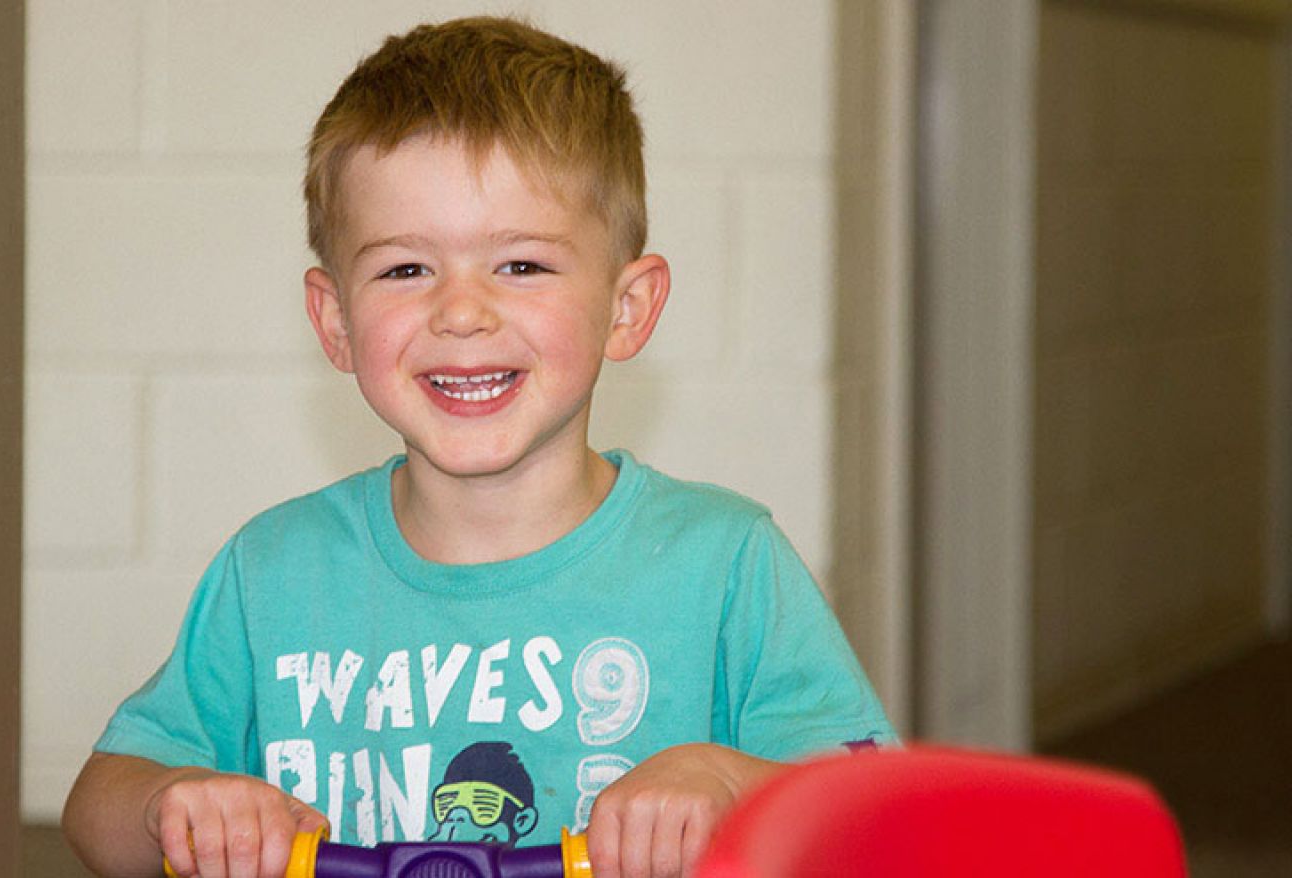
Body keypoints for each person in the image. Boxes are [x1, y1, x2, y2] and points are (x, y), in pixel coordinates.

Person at [61, 16, 894, 878]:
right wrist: (176, 806)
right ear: (335, 321)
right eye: (404, 270)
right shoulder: (273, 573)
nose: (461, 312)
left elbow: (877, 821)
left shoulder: (725, 565)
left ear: (628, 307)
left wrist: (727, 778)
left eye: (522, 266)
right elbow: (97, 806)